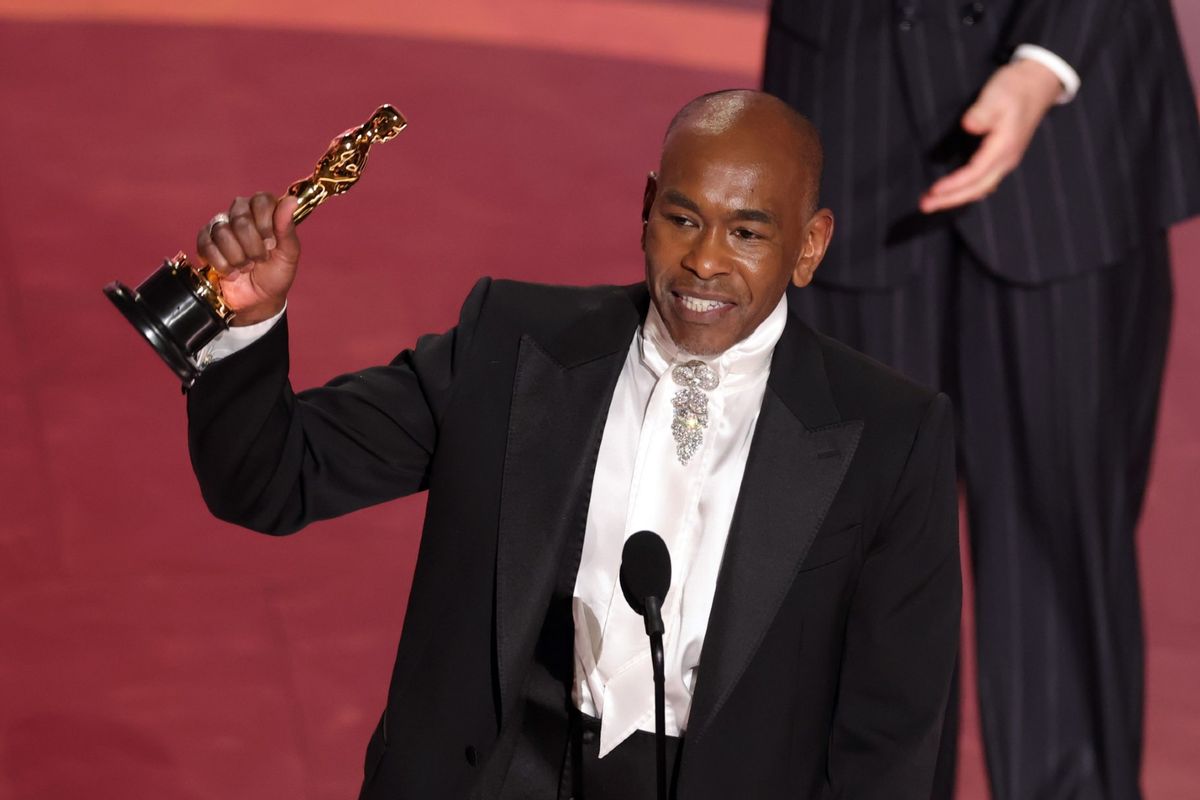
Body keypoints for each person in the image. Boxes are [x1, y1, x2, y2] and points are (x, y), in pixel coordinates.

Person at [185, 90, 960, 799]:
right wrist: (246, 322)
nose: (705, 261)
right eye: (683, 219)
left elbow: (891, 738)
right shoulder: (511, 346)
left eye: (748, 232)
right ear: (647, 206)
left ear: (810, 245)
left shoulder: (890, 435)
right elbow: (273, 477)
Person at [763, 2, 1200, 798]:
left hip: (1080, 124)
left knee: (1065, 542)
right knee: (860, 558)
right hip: (854, 104)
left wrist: (1046, 63)